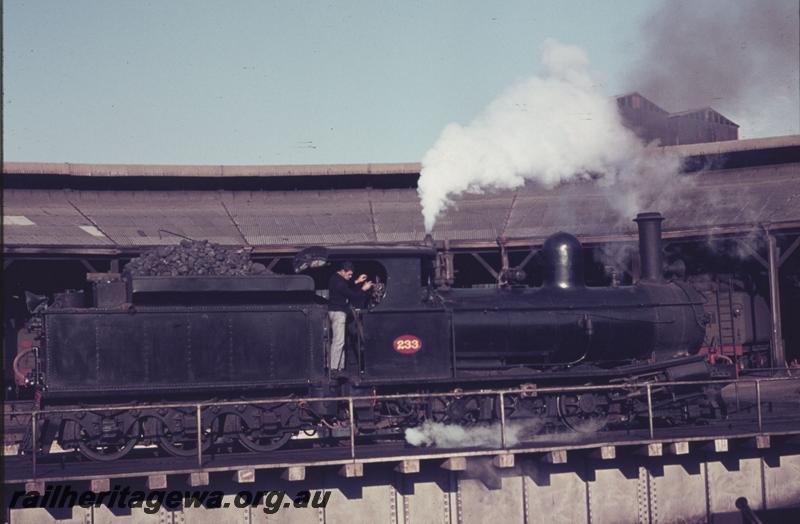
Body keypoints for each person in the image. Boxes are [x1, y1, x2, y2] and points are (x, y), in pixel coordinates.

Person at [328, 261, 373, 372]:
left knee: (340, 341)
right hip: (338, 313)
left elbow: (347, 287)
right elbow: (352, 295)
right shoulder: (338, 283)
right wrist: (363, 288)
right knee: (339, 341)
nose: (350, 277)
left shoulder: (337, 279)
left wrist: (357, 281)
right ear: (343, 271)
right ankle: (333, 368)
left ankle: (339, 367)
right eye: (349, 274)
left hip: (337, 311)